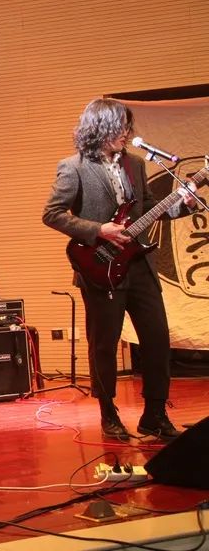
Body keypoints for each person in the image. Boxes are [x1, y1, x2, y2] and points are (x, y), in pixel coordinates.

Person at [43, 98, 197, 442]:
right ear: (100, 128)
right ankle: (108, 413)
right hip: (99, 266)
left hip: (139, 265)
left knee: (157, 339)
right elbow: (53, 214)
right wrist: (99, 230)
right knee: (104, 344)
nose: (126, 133)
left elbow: (149, 210)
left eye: (128, 127)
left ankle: (154, 416)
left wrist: (183, 205)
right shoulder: (73, 167)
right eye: (120, 127)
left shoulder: (136, 164)